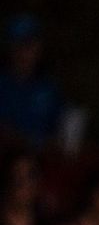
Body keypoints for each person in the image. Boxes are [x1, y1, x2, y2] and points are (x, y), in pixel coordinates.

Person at [0, 15, 65, 148]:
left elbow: (60, 134)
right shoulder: (2, 85)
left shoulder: (49, 89)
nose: (23, 52)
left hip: (40, 162)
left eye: (28, 45)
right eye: (18, 45)